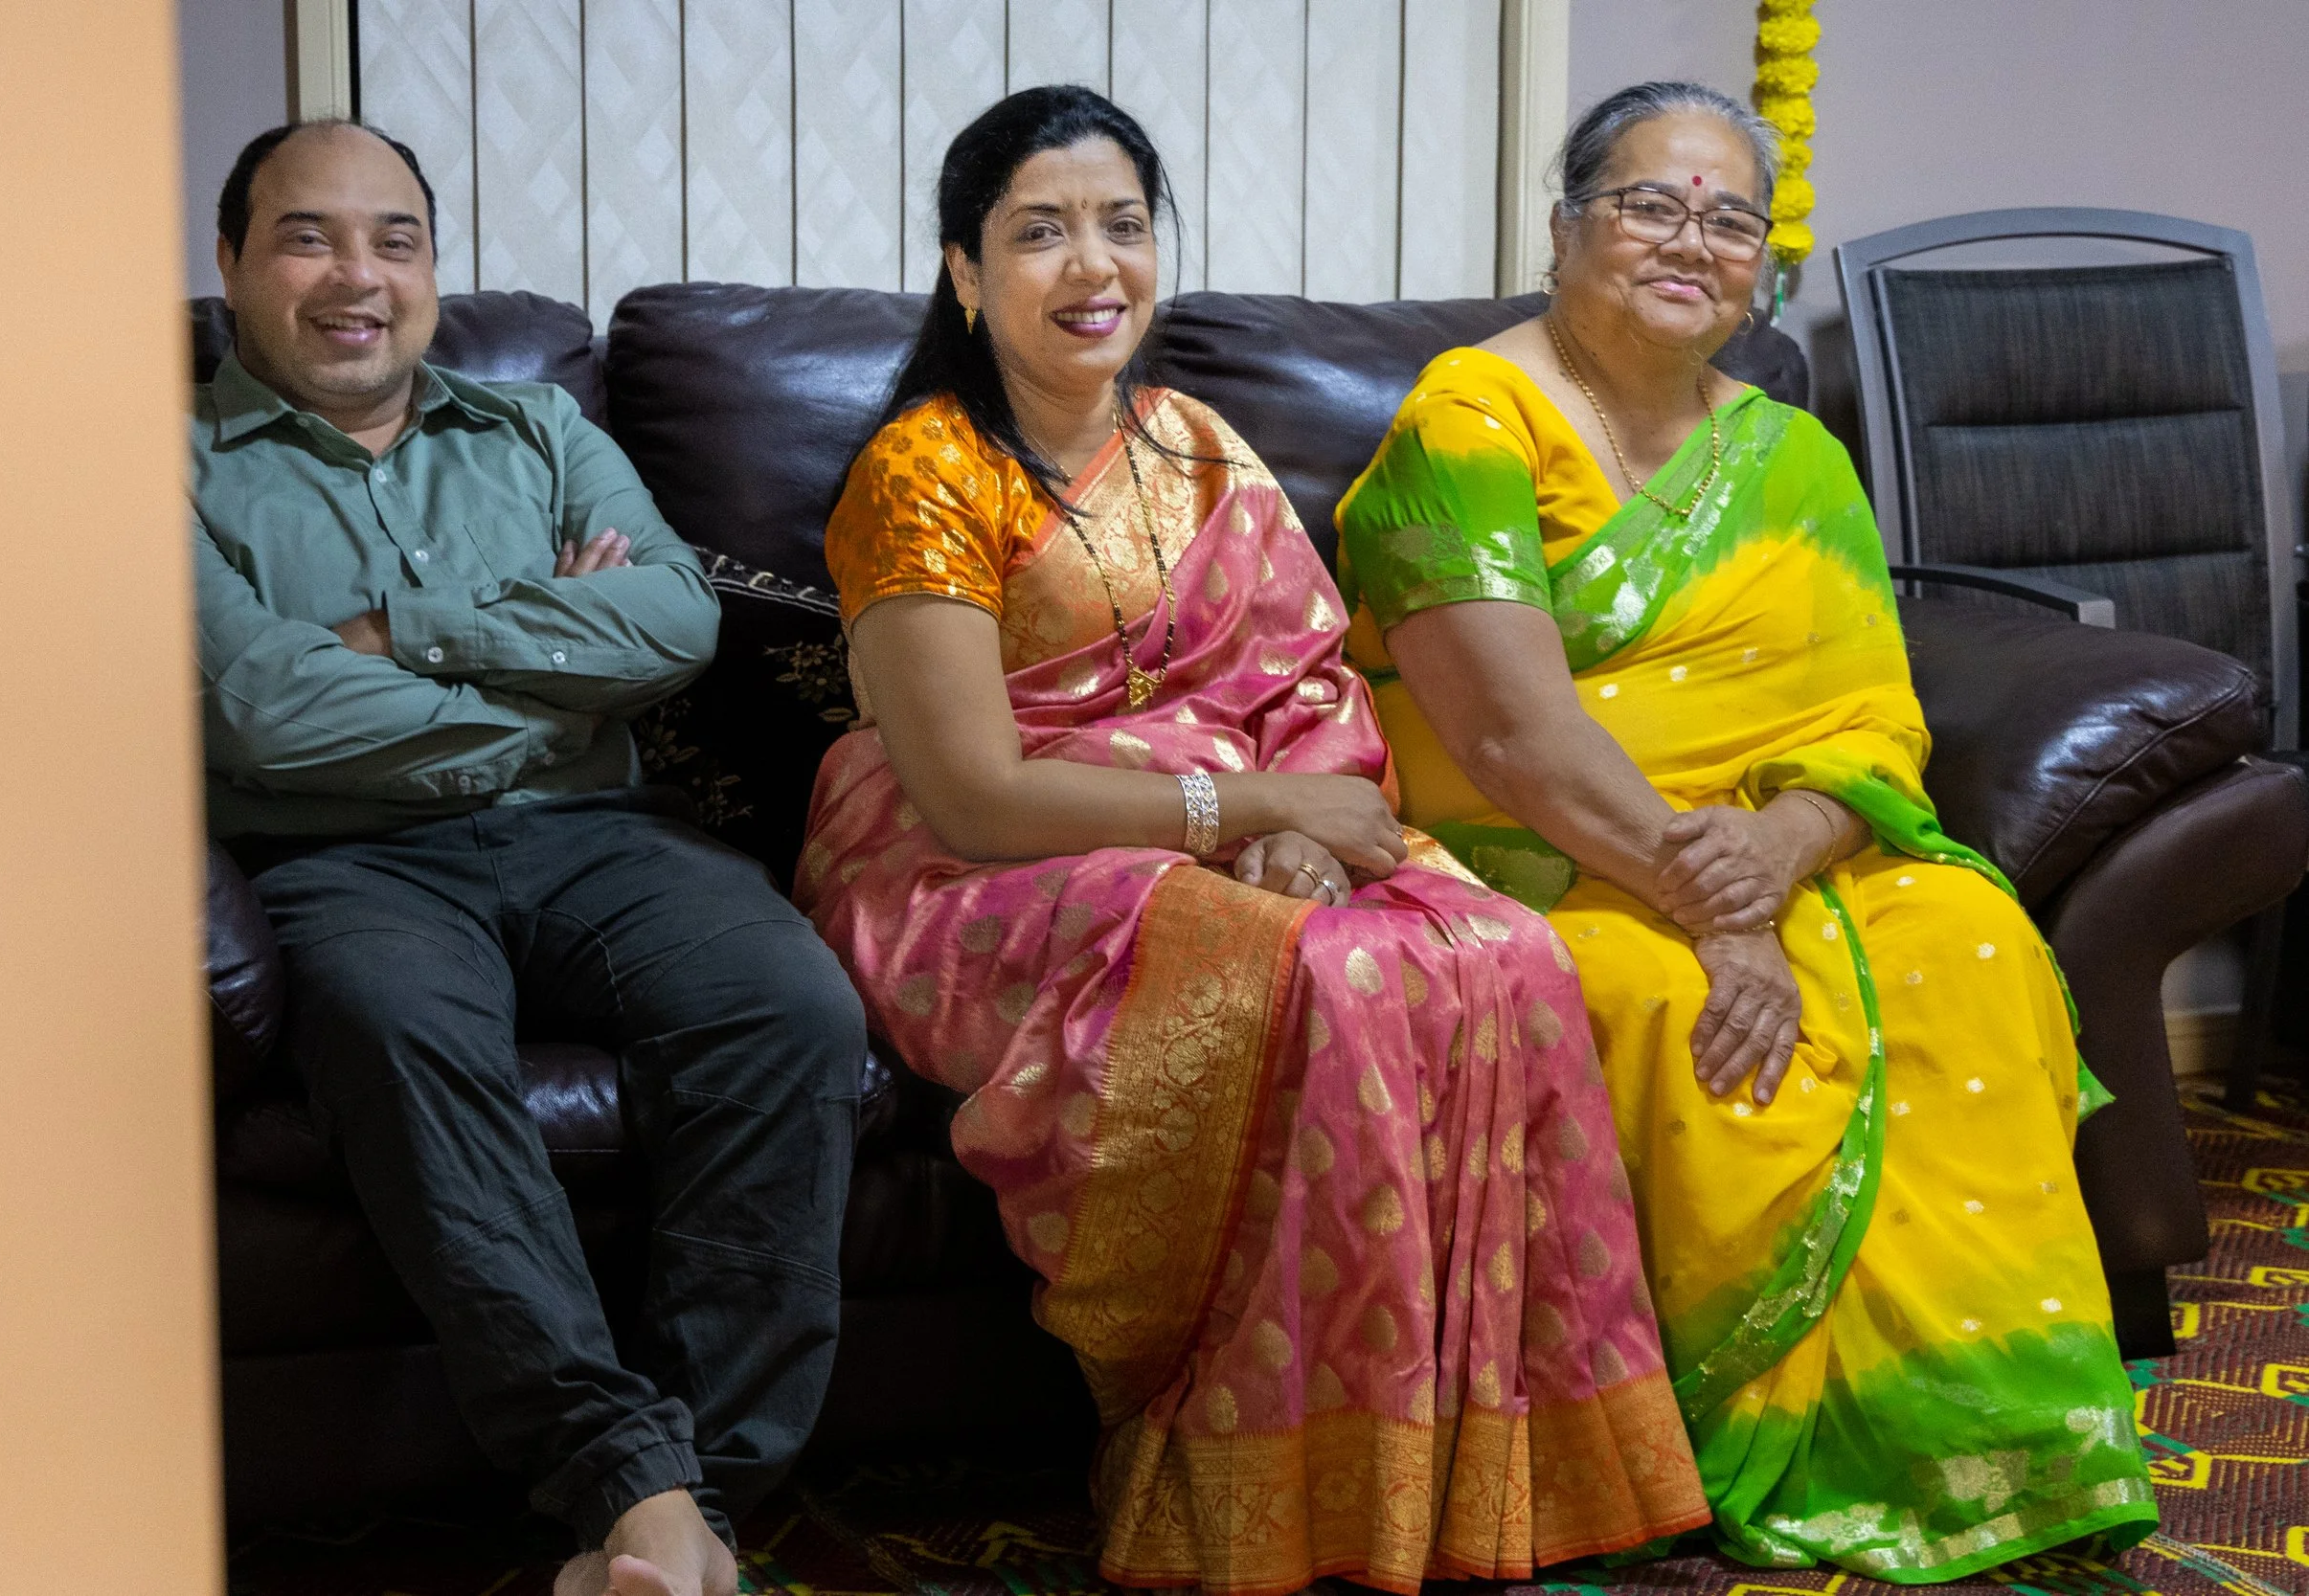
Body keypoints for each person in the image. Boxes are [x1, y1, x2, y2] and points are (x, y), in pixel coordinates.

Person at [795, 85, 1709, 1594]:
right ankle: (1265, 1493)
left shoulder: (1200, 448)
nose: (1094, 265)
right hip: (979, 867)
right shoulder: (923, 474)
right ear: (965, 271)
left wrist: (1311, 835)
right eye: (1041, 233)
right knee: (1312, 981)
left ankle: (1466, 1488)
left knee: (1501, 951)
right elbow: (972, 793)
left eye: (1123, 225)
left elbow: (1307, 684)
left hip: (1238, 826)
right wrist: (1253, 815)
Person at [1332, 80, 2160, 1581]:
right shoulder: (1468, 419)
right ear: (1565, 227)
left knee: (1968, 937)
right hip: (1544, 852)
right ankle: (1750, 1438)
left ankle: (1987, 1437)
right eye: (1649, 203)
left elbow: (1875, 719)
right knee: (1663, 999)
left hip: (1771, 855)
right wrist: (1712, 906)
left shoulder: (1796, 456)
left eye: (1730, 221)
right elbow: (1508, 734)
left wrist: (1777, 857)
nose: (1690, 241)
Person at [194, 120, 867, 1596]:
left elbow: (675, 622)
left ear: (433, 267)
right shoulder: (162, 470)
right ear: (231, 262)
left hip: (600, 838)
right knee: (397, 1032)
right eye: (307, 237)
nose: (357, 276)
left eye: (396, 240)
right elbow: (261, 708)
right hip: (349, 862)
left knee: (790, 1007)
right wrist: (555, 685)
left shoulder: (543, 431)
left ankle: (682, 1507)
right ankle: (631, 1483)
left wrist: (407, 635)